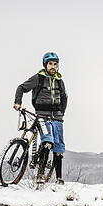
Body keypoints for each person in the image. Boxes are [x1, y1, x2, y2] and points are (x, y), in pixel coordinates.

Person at [13, 52, 68, 184]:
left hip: (58, 118)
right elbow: (21, 88)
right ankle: (40, 175)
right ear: (45, 65)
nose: (53, 67)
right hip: (42, 115)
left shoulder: (60, 81)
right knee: (47, 143)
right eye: (50, 64)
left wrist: (62, 112)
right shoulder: (39, 78)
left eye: (55, 64)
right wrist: (17, 102)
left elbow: (65, 97)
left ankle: (59, 178)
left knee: (59, 149)